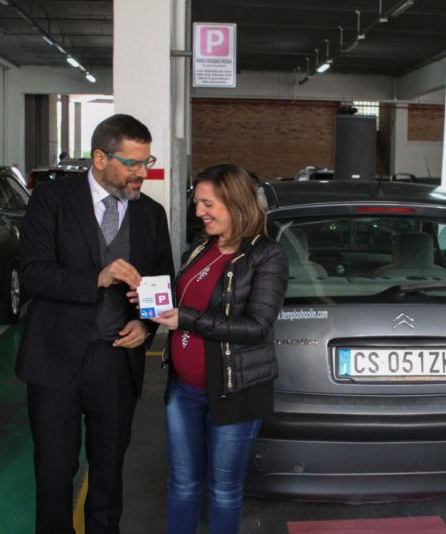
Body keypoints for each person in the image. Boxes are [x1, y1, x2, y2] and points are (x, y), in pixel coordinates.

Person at [15, 113, 174, 533]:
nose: (143, 172)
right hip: (54, 361)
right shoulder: (51, 199)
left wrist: (146, 327)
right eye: (133, 163)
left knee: (107, 472)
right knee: (53, 472)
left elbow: (162, 282)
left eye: (147, 161)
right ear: (100, 157)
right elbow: (32, 273)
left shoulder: (151, 215)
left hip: (115, 362)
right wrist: (96, 278)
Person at [149, 163, 288, 534]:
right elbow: (183, 300)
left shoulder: (266, 255)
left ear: (235, 202)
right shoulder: (201, 247)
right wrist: (150, 303)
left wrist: (187, 319)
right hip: (183, 389)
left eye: (207, 204)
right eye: (197, 203)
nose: (199, 212)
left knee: (224, 491)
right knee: (181, 483)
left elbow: (257, 327)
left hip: (235, 391)